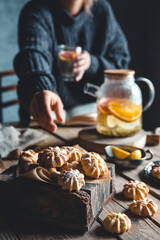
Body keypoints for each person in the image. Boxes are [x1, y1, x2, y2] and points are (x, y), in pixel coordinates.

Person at [14, 0, 130, 132]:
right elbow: (34, 53)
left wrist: (92, 63)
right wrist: (43, 88)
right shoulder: (36, 10)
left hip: (93, 121)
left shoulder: (102, 9)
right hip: (43, 123)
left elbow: (121, 65)